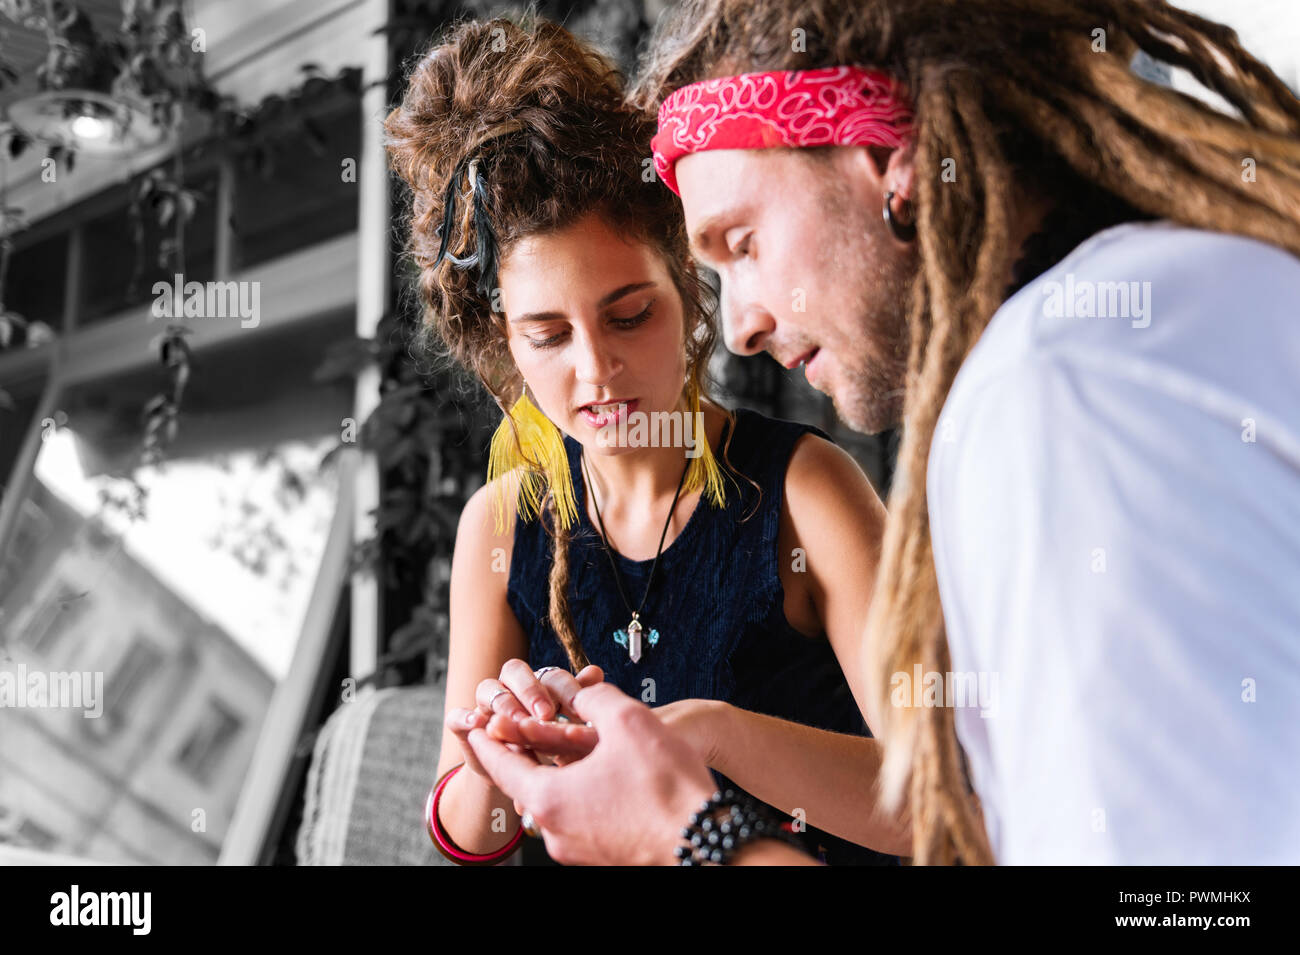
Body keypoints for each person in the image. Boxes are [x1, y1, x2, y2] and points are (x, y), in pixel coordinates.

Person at [465, 0, 1300, 865]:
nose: (742, 324)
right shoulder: (1159, 310)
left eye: (742, 243)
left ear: (887, 159)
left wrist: (692, 832)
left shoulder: (1062, 386)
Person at [384, 16, 911, 866]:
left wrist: (708, 737)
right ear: (505, 345)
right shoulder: (503, 524)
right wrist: (504, 748)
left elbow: (943, 802)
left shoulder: (807, 493)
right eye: (548, 336)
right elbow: (470, 831)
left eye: (630, 314)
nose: (599, 369)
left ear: (689, 290)